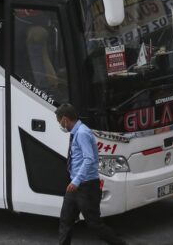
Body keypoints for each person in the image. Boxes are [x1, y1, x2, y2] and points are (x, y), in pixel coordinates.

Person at [56, 104, 127, 245]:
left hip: (86, 186)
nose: (60, 125)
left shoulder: (82, 133)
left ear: (65, 119)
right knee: (66, 220)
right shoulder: (76, 133)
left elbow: (89, 159)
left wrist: (76, 181)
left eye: (59, 122)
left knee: (94, 224)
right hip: (76, 186)